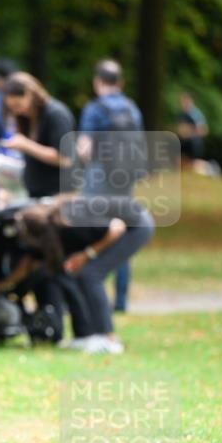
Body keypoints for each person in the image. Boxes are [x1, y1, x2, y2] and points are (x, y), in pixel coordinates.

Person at [1, 195, 154, 354]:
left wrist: (87, 254)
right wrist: (2, 285)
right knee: (74, 275)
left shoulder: (73, 224)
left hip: (137, 225)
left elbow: (116, 228)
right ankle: (84, 335)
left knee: (91, 274)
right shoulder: (55, 229)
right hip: (121, 226)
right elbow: (29, 264)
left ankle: (109, 339)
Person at [77, 59, 145, 313]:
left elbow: (84, 149)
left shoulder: (95, 109)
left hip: (99, 178)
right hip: (125, 179)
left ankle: (92, 292)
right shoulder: (132, 108)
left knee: (96, 231)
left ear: (97, 83)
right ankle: (121, 301)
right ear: (121, 83)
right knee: (123, 233)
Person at [0, 71, 75, 198]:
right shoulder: (27, 118)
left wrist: (26, 145)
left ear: (30, 94)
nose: (16, 111)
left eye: (18, 105)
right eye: (11, 108)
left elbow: (66, 159)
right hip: (36, 193)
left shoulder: (56, 114)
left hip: (57, 194)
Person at [177, 92, 219, 176]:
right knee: (184, 163)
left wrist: (189, 133)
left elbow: (203, 130)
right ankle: (209, 168)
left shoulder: (195, 114)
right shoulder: (183, 114)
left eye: (185, 101)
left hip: (194, 143)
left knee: (191, 163)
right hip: (186, 143)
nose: (183, 104)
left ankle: (210, 167)